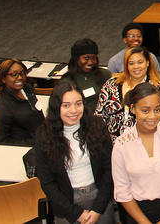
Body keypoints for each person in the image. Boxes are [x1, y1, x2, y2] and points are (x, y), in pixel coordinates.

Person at [34, 82, 114, 224]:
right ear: (56, 107)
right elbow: (47, 182)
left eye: (78, 104)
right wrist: (75, 213)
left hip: (99, 199)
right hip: (66, 204)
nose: (74, 110)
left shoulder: (97, 126)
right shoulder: (44, 135)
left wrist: (97, 210)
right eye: (66, 105)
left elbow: (109, 170)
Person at [111, 83, 160, 224]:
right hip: (139, 213)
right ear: (133, 109)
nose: (152, 116)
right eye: (145, 111)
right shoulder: (121, 145)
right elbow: (122, 191)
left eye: (157, 110)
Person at [95, 46, 160, 141]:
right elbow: (99, 116)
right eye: (131, 63)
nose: (136, 67)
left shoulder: (159, 89)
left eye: (140, 62)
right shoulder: (111, 85)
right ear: (126, 66)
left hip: (147, 146)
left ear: (148, 63)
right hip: (111, 146)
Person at [0, 59, 44, 144]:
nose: (20, 77)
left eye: (22, 73)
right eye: (14, 75)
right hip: (26, 149)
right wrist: (34, 142)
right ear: (3, 79)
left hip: (43, 140)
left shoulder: (27, 89)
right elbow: (0, 142)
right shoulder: (0, 107)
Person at [61, 38, 112, 113]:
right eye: (86, 58)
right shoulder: (66, 81)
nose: (91, 62)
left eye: (93, 58)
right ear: (76, 59)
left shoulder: (105, 74)